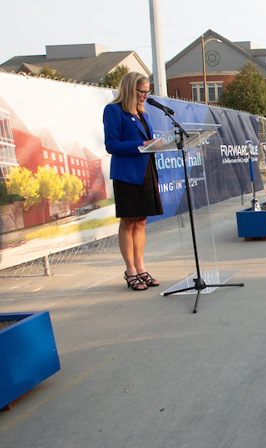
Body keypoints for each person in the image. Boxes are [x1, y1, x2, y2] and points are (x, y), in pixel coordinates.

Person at [103, 72, 164, 291]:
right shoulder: (114, 111)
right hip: (127, 174)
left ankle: (141, 267)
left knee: (141, 221)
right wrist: (142, 145)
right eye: (142, 92)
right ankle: (130, 270)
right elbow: (111, 145)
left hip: (146, 171)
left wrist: (154, 144)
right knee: (128, 221)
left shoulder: (143, 114)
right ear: (130, 89)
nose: (145, 96)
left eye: (148, 92)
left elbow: (145, 141)